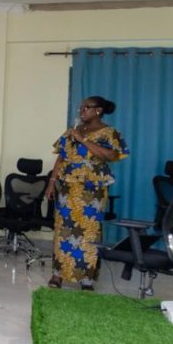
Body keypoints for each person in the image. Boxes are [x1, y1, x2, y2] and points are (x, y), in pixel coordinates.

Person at [46, 96, 129, 290]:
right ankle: (58, 274)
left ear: (98, 110)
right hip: (67, 188)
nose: (81, 111)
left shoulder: (109, 133)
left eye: (86, 108)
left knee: (89, 232)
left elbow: (111, 155)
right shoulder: (72, 131)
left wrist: (82, 140)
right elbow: (61, 158)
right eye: (80, 108)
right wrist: (51, 182)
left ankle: (86, 279)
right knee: (63, 231)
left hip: (92, 190)